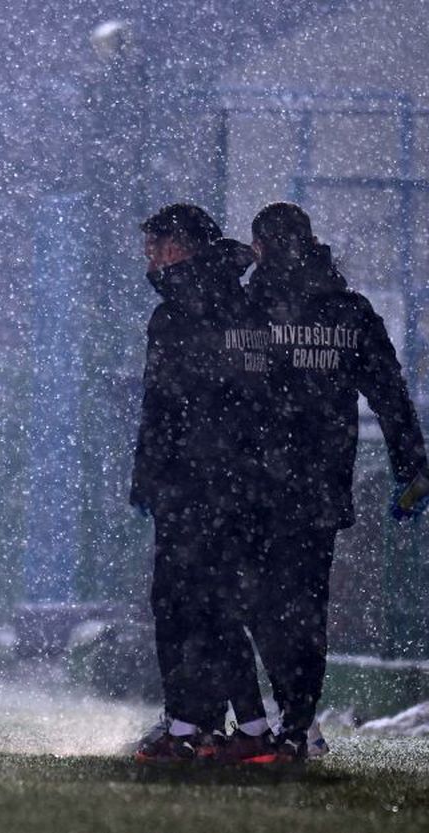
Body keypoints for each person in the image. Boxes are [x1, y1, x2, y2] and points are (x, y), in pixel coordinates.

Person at [245, 202, 428, 760]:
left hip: (250, 484)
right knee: (302, 607)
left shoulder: (249, 308)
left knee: (258, 606)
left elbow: (215, 395)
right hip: (318, 484)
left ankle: (291, 719)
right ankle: (298, 722)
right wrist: (411, 471)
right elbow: (391, 397)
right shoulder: (348, 312)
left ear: (259, 247)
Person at [128, 203, 275, 764]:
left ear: (178, 248)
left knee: (178, 604)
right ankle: (249, 726)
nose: (149, 259)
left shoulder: (176, 316)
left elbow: (163, 406)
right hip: (246, 484)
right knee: (223, 606)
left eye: (155, 247)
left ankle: (187, 727)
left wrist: (150, 476)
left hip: (191, 485)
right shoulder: (247, 304)